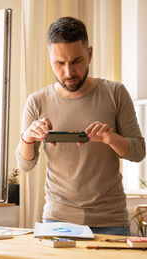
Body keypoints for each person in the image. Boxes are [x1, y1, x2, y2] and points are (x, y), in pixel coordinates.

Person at [15, 16, 145, 236]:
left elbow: (138, 152)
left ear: (90, 54)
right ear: (49, 58)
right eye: (59, 63)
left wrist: (110, 138)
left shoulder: (115, 93)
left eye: (76, 61)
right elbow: (25, 166)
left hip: (110, 220)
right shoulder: (36, 101)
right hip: (56, 220)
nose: (68, 72)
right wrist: (27, 138)